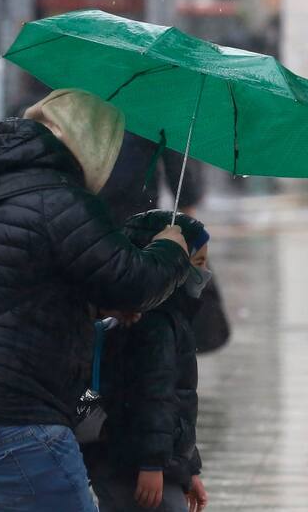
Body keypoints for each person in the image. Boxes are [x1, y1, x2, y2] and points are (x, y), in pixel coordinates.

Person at [0, 89, 191, 512]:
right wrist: (172, 248)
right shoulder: (62, 201)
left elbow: (11, 288)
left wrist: (94, 307)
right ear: (94, 147)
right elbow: (135, 282)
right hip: (10, 421)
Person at [85, 210, 211, 512]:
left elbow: (177, 408)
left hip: (153, 462)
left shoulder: (170, 320)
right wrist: (153, 466)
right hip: (138, 465)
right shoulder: (156, 323)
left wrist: (188, 467)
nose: (204, 274)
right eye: (196, 263)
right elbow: (153, 398)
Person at [100, 133, 230, 353]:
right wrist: (187, 204)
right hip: (138, 220)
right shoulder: (147, 111)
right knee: (146, 308)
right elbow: (175, 161)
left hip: (102, 218)